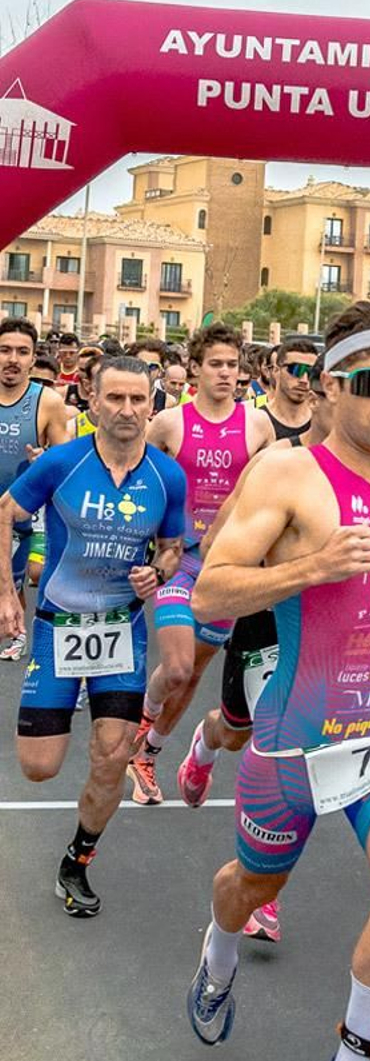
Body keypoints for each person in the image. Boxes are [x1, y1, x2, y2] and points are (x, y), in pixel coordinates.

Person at [184, 304, 370, 1059]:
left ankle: (356, 1047)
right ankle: (218, 955)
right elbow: (210, 594)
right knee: (250, 887)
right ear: (331, 386)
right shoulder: (290, 473)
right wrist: (313, 568)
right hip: (296, 735)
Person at [2, 355, 186, 917]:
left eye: (138, 400)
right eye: (115, 398)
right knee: (39, 767)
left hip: (121, 632)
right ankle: (73, 704)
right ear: (92, 400)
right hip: (58, 628)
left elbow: (174, 550)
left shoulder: (166, 476)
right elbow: (5, 513)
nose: (127, 410)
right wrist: (6, 593)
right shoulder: (61, 463)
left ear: (152, 405)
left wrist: (159, 571)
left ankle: (77, 862)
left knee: (110, 755)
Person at [174, 360, 338, 944]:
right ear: (323, 397)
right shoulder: (277, 464)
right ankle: (205, 741)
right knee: (242, 734)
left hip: (331, 644)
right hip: (265, 624)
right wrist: (282, 573)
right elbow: (218, 541)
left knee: (293, 751)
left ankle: (266, 894)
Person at [131, 324, 275, 805]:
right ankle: (144, 720)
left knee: (193, 675)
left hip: (230, 569)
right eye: (215, 363)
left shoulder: (257, 426)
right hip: (181, 560)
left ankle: (149, 753)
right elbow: (142, 482)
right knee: (176, 667)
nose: (225, 373)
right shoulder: (170, 423)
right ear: (195, 368)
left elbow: (267, 496)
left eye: (232, 365)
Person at [0, 319, 72, 662]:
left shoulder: (48, 402)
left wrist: (46, 460)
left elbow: (66, 466)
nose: (12, 358)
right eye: (4, 350)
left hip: (17, 519)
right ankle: (18, 629)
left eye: (22, 351)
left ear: (33, 358)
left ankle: (19, 629)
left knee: (11, 585)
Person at [260, 334, 319, 441]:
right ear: (276, 370)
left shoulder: (321, 423)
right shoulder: (254, 419)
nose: (304, 380)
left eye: (311, 371)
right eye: (296, 370)